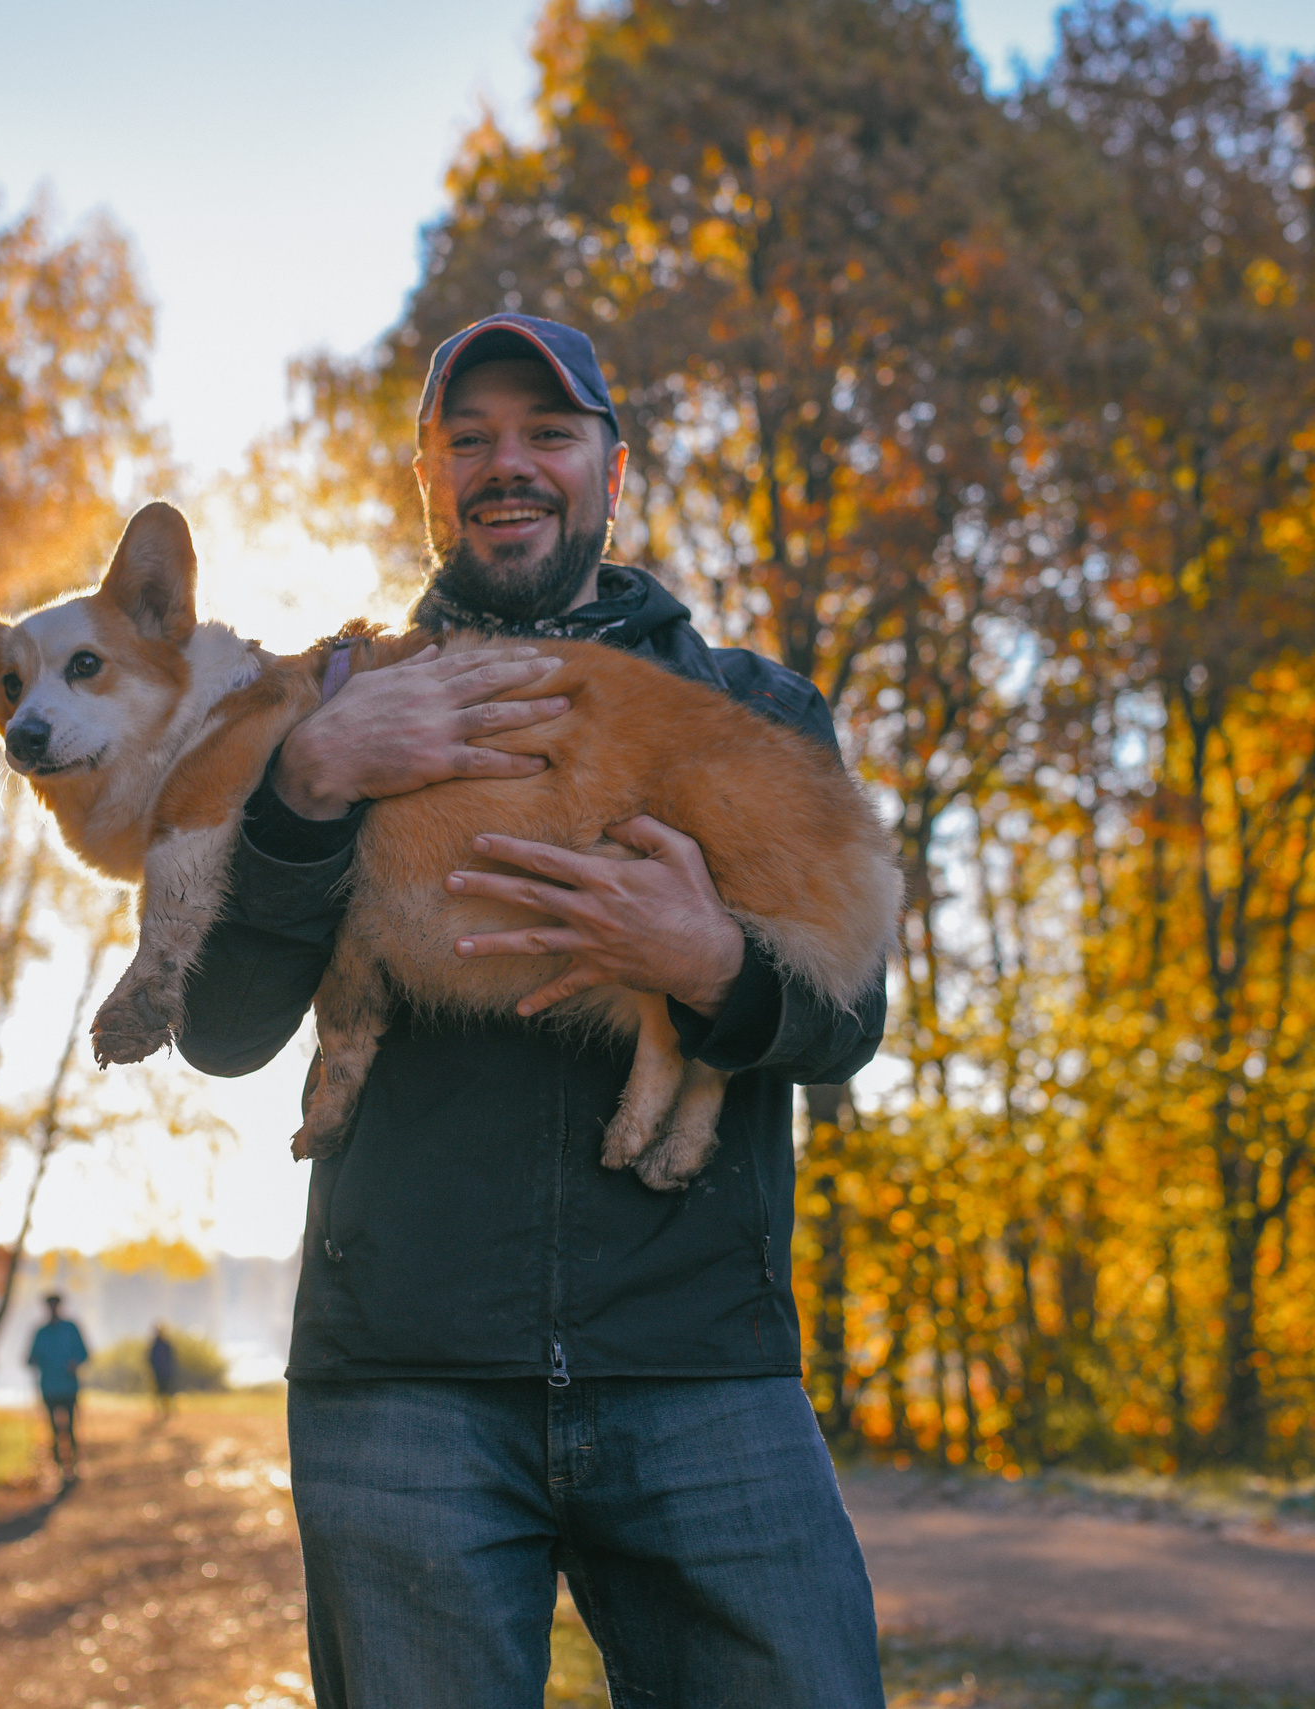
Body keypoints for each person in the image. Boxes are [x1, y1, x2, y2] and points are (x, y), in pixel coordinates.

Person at [180, 313, 888, 1707]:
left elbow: (846, 1022)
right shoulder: (321, 708)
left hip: (700, 1371)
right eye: (470, 440)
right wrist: (307, 790)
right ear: (426, 482)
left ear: (611, 471)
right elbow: (222, 1027)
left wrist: (712, 965)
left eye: (548, 434)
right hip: (403, 1385)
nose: (509, 465)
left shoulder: (749, 705)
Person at [24, 1292, 90, 1482]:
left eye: (55, 1305)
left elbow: (84, 1353)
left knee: (70, 1427)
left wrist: (75, 1362)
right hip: (49, 1388)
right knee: (53, 1430)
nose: (53, 1309)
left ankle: (74, 1464)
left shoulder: (71, 1329)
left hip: (69, 1387)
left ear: (59, 1306)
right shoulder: (40, 1332)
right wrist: (33, 1360)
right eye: (50, 1306)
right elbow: (30, 1357)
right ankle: (59, 1467)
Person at [148, 1323, 181, 1422]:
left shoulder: (166, 1345)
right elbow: (151, 1359)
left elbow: (172, 1358)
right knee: (159, 1393)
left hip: (167, 1373)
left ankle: (169, 1411)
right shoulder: (155, 1345)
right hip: (159, 1373)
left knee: (169, 1393)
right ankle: (159, 1411)